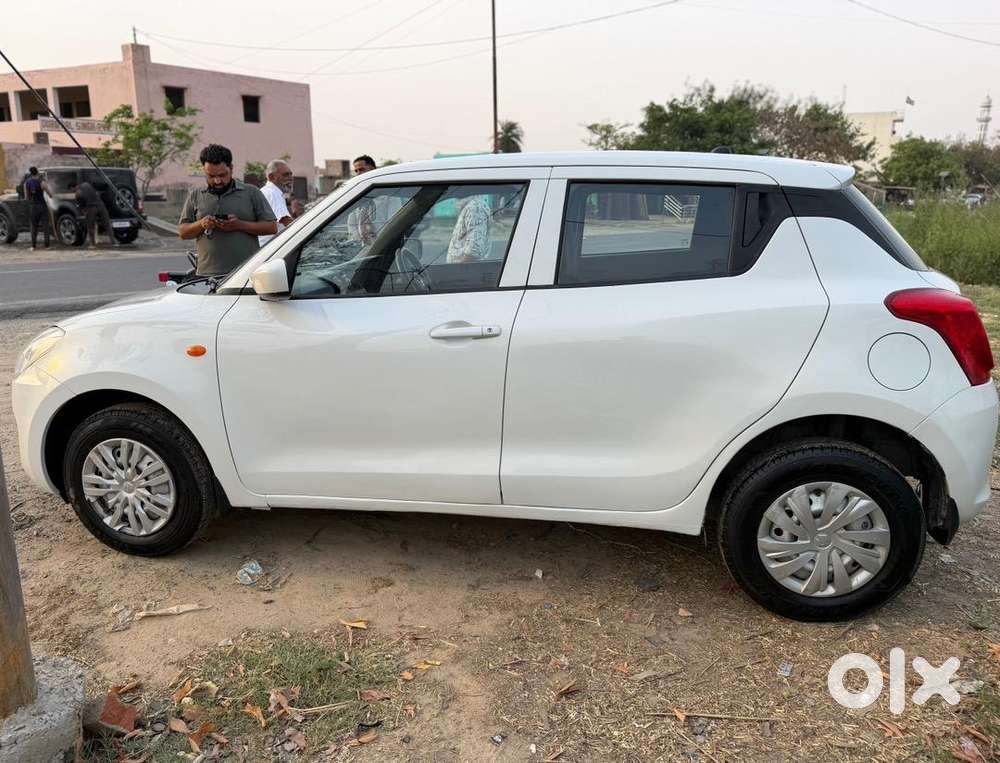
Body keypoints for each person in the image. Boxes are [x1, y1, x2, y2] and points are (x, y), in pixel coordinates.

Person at [178, 144, 277, 276]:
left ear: (231, 168)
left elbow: (271, 227)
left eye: (222, 175)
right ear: (204, 170)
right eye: (211, 176)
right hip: (207, 275)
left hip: (246, 273)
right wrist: (202, 224)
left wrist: (239, 225)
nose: (217, 181)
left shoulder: (251, 192)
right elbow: (183, 233)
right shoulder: (195, 195)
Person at [68, 179, 115, 248]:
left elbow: (81, 205)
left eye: (71, 190)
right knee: (107, 224)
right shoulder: (87, 184)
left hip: (91, 208)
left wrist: (84, 212)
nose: (72, 191)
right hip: (101, 205)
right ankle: (113, 242)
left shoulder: (77, 193)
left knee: (90, 226)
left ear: (72, 187)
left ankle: (92, 244)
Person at [258, 159, 294, 247]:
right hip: (270, 249)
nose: (290, 178)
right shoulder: (273, 193)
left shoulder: (268, 191)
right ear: (271, 177)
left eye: (291, 174)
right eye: (285, 175)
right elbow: (286, 221)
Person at [447, 194, 493, 263]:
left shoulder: (475, 208)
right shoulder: (469, 206)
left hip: (464, 271)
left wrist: (458, 269)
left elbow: (474, 250)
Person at [24, 167, 50, 251]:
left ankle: (33, 246)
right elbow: (50, 194)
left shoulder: (27, 183)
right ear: (37, 173)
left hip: (33, 207)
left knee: (33, 227)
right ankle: (47, 246)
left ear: (30, 173)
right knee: (45, 226)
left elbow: (26, 197)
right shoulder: (42, 182)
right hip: (42, 206)